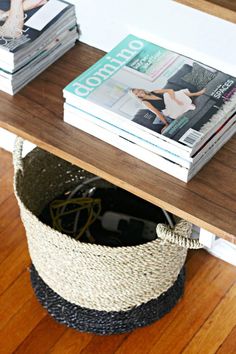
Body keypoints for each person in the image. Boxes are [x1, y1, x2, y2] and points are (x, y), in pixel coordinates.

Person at [130, 87, 206, 132]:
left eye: (138, 91)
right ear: (136, 96)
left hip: (174, 103)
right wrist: (166, 124)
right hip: (170, 111)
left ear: (141, 89)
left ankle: (195, 96)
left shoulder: (154, 92)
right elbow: (157, 113)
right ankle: (195, 95)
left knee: (173, 93)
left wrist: (175, 99)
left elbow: (170, 90)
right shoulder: (145, 102)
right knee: (167, 95)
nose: (139, 93)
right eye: (136, 94)